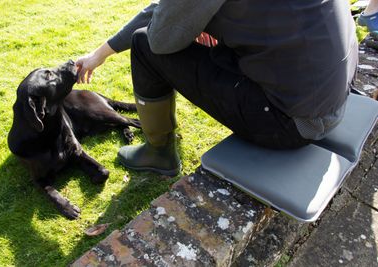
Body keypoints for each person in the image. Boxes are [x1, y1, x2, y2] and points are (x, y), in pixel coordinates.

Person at [76, 0, 358, 177]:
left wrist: (197, 20)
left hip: (292, 120)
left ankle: (158, 152)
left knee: (143, 44)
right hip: (336, 95)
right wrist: (102, 52)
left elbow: (160, 39)